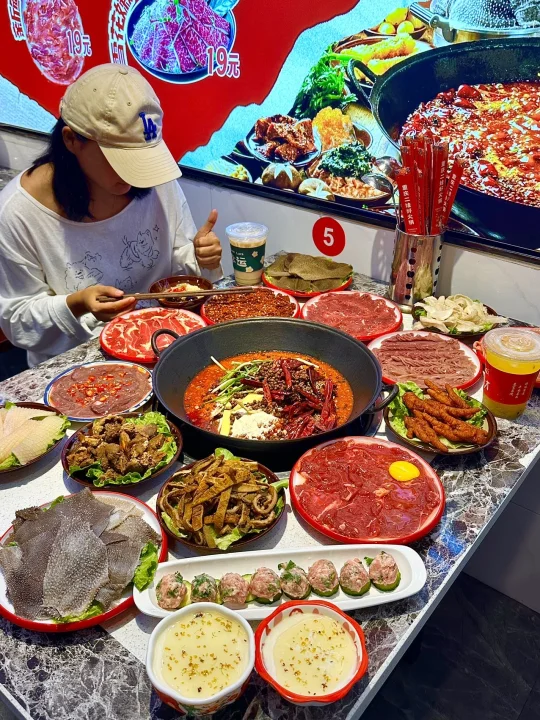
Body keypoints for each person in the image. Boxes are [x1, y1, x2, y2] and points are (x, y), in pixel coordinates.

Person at [0, 64, 223, 367]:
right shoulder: (18, 213)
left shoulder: (153, 180)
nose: (134, 175)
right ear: (71, 140)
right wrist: (76, 304)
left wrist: (200, 257)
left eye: (143, 158)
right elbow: (17, 320)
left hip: (162, 341)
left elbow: (176, 263)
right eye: (120, 159)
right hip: (79, 365)